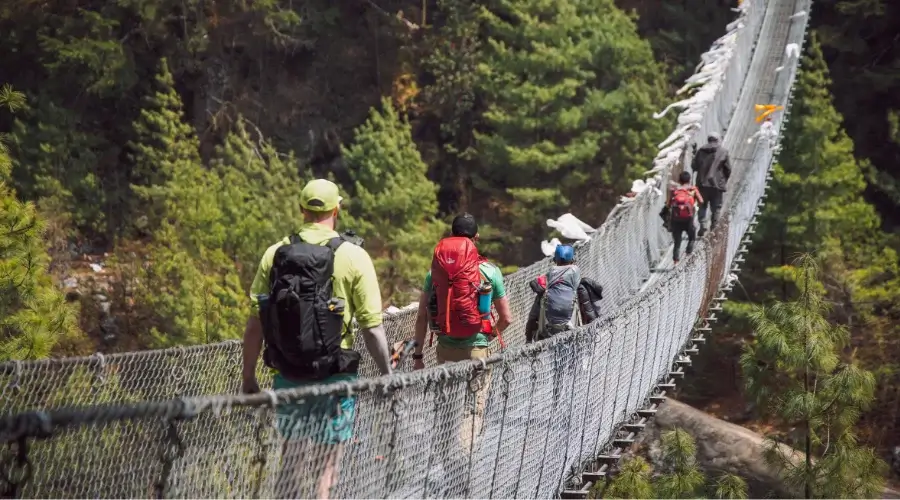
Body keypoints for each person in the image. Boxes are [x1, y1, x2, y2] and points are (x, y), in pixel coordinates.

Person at [240, 178, 392, 500]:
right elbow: (372, 327)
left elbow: (256, 320)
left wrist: (249, 377)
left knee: (291, 460)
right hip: (336, 377)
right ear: (337, 209)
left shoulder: (275, 253)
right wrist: (385, 375)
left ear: (301, 209)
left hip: (289, 372)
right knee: (327, 469)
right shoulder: (354, 256)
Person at [411, 213, 512, 454]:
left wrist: (417, 357)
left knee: (446, 406)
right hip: (477, 349)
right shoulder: (490, 271)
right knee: (472, 409)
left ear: (452, 236)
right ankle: (465, 463)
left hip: (445, 349)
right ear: (476, 237)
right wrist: (489, 335)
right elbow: (507, 318)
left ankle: (446, 457)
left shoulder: (434, 273)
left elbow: (422, 316)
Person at [524, 244, 604, 343]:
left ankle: (528, 339)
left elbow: (533, 316)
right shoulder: (577, 278)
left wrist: (528, 339)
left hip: (547, 328)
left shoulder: (548, 278)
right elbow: (587, 309)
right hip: (571, 325)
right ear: (572, 259)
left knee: (537, 307)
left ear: (555, 260)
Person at [691, 131, 732, 236]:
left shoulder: (701, 150)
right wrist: (723, 181)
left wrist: (694, 155)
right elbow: (728, 169)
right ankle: (713, 229)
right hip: (716, 185)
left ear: (708, 139)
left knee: (702, 206)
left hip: (701, 184)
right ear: (718, 140)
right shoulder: (723, 151)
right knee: (716, 208)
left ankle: (703, 225)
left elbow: (694, 167)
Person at [666, 171, 704, 265]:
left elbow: (669, 204)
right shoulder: (692, 189)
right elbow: (701, 201)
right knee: (692, 237)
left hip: (676, 219)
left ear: (679, 180)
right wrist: (694, 205)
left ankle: (676, 261)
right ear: (689, 180)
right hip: (688, 218)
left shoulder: (674, 190)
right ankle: (688, 255)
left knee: (677, 241)